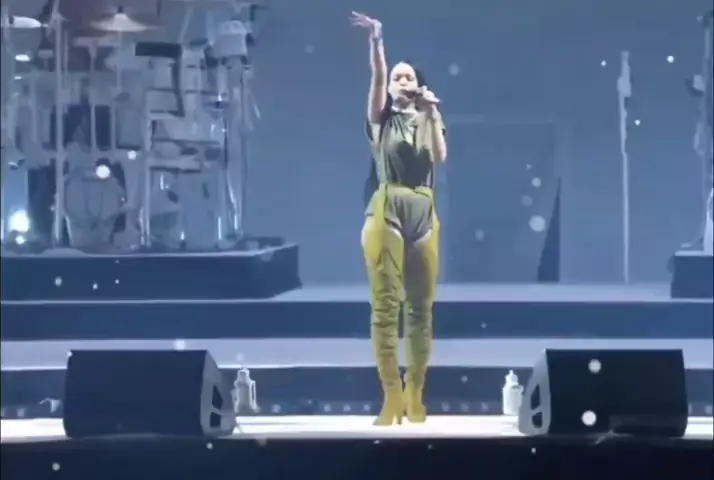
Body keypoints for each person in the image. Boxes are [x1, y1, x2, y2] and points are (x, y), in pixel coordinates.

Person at [351, 11, 447, 426]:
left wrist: (432, 112)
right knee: (386, 306)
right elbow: (376, 77)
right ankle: (391, 395)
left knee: (421, 309)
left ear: (419, 85)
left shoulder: (427, 118)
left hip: (423, 207)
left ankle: (415, 393)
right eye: (397, 77)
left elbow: (439, 156)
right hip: (387, 205)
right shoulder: (381, 120)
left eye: (408, 77)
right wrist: (377, 41)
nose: (401, 81)